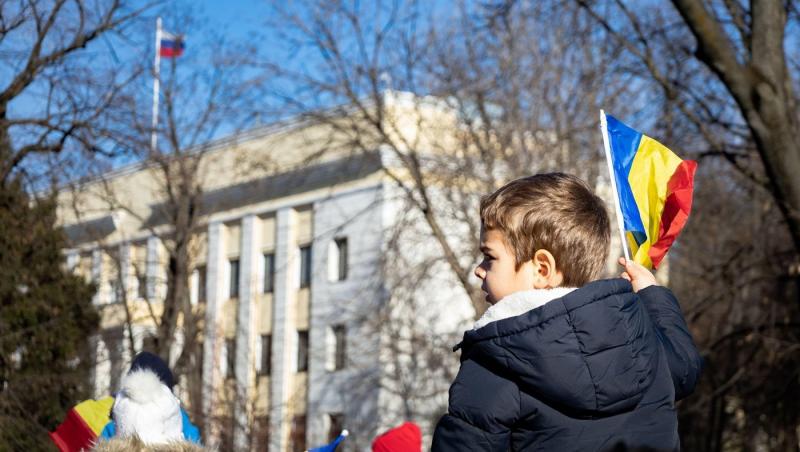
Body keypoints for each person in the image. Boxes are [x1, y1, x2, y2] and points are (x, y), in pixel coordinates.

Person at [431, 173, 702, 451]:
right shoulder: (640, 342)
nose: (479, 269)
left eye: (490, 257)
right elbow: (684, 366)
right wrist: (652, 295)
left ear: (542, 269)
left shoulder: (498, 363)